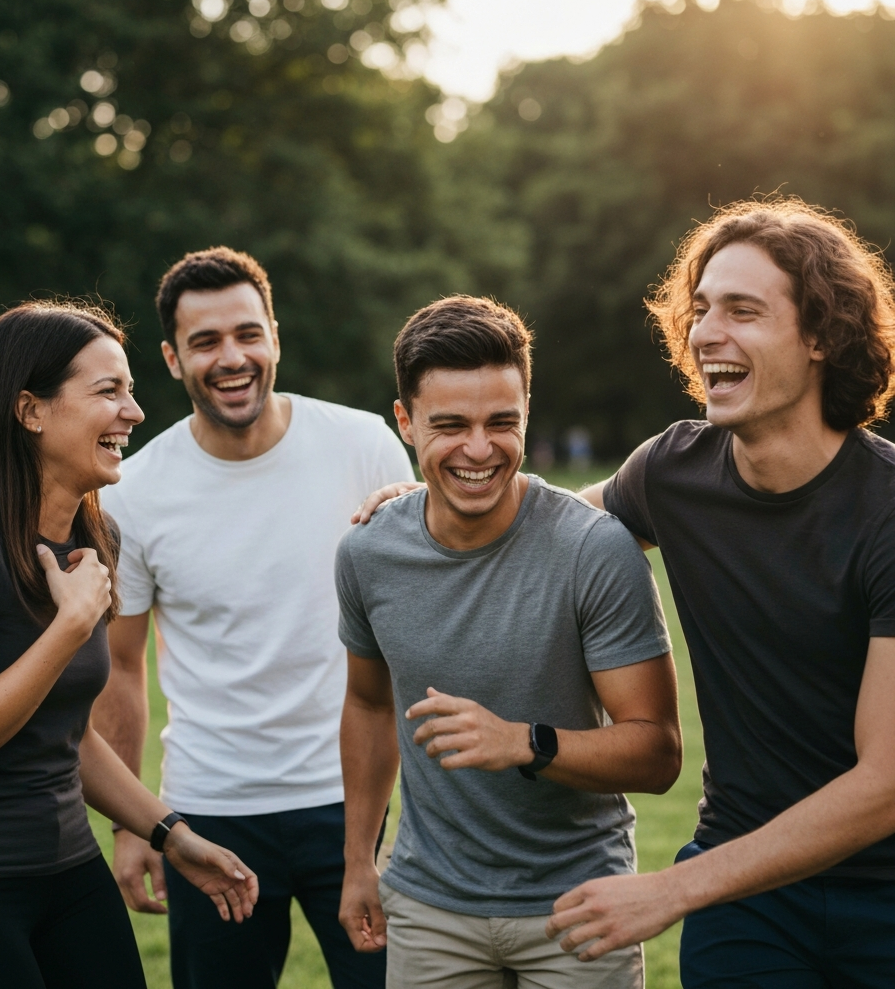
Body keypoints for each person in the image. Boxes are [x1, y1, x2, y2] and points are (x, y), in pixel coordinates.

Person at [358, 201, 895, 986]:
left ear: (822, 334)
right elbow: (549, 525)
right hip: (746, 892)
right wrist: (428, 500)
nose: (707, 332)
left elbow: (884, 785)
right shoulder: (674, 468)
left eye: (743, 311)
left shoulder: (885, 510)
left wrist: (672, 889)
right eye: (702, 309)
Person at [0, 303, 258, 989]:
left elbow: (67, 734)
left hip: (67, 869)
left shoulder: (92, 539)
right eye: (109, 391)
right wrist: (68, 629)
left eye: (131, 390)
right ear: (31, 410)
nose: (135, 412)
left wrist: (172, 835)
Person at [335, 296, 681, 989]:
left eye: (502, 422)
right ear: (405, 422)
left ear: (527, 411)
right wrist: (358, 863)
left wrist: (526, 742)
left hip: (579, 906)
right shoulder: (367, 553)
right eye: (449, 425)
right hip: (429, 904)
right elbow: (369, 708)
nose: (478, 449)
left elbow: (658, 753)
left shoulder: (595, 551)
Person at [93, 247, 414, 989]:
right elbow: (121, 663)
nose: (230, 358)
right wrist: (134, 824)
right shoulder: (132, 493)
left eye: (246, 334)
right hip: (209, 810)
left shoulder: (363, 444)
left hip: (357, 799)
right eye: (205, 342)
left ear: (275, 336)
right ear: (172, 360)